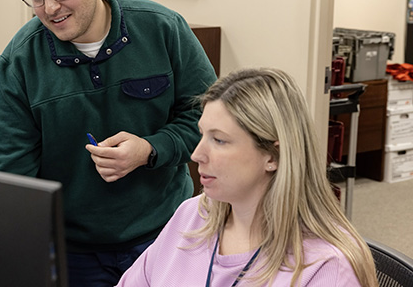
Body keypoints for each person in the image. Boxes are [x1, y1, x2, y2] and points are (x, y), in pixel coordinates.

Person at [0, 0, 217, 286]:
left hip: (167, 235)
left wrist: (150, 149)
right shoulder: (19, 62)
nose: (49, 8)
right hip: (74, 252)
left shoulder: (163, 29)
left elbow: (208, 121)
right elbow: (14, 176)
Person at [116, 68, 378, 287]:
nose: (196, 154)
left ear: (273, 156)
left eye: (219, 140)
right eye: (202, 134)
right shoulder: (192, 215)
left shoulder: (325, 267)